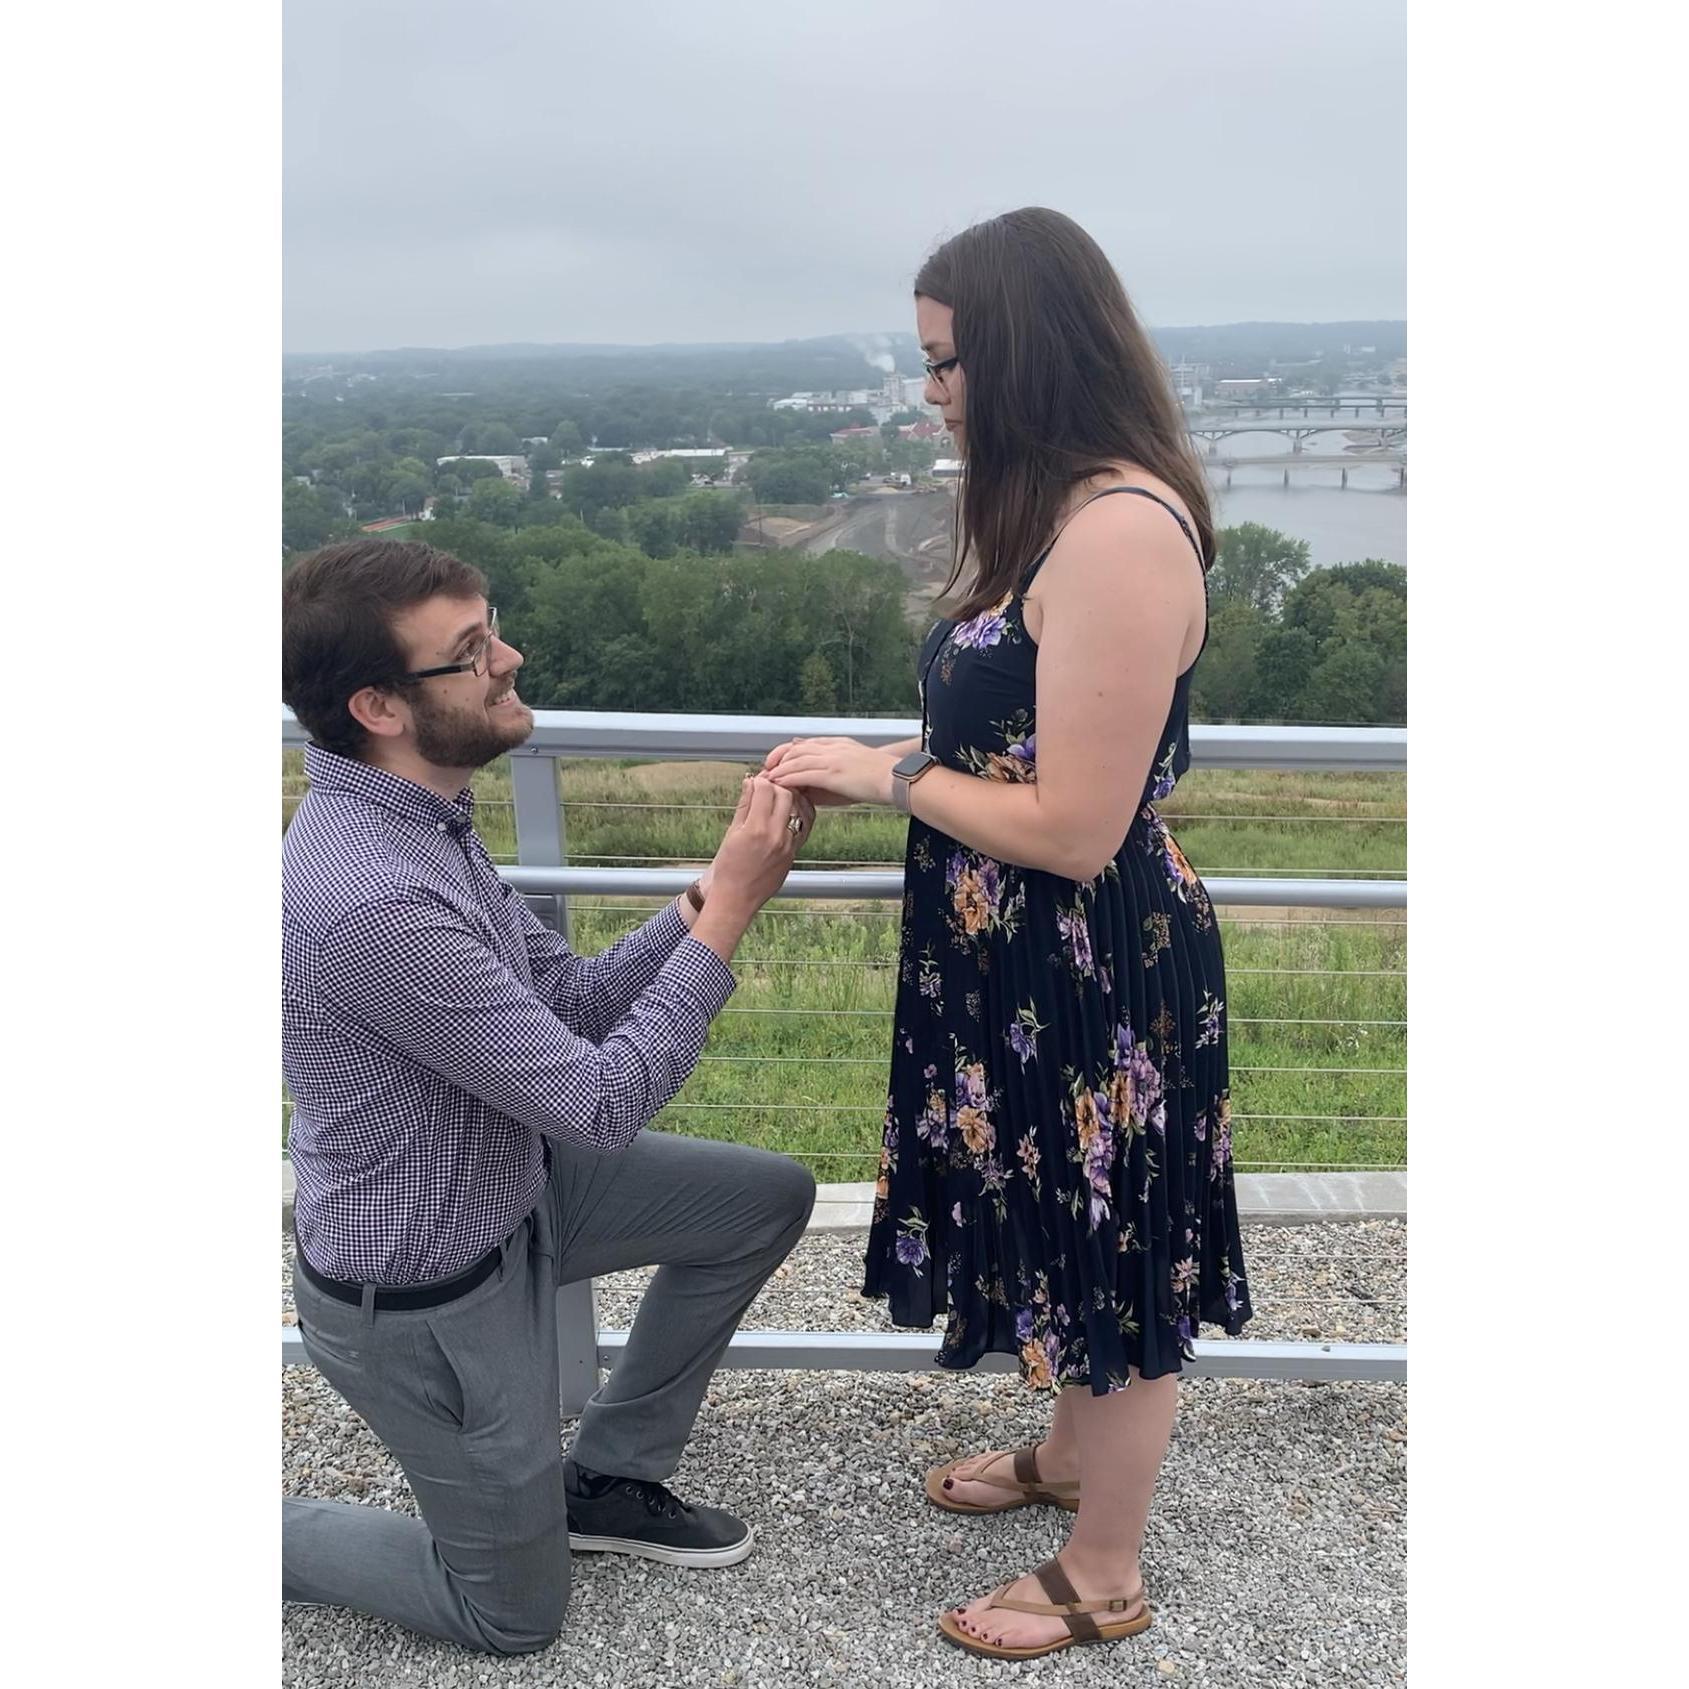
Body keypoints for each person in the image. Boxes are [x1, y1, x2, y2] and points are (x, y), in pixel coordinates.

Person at [764, 207, 1254, 1662]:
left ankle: (1103, 1563)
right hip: (1018, 959)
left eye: (942, 363)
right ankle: (1063, 1452)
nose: (929, 394)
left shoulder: (1116, 532)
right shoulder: (1055, 508)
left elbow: (1076, 829)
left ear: (1021, 352)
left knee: (1113, 1247)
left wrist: (888, 773)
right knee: (1062, 1223)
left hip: (1094, 966)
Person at [281, 538, 817, 1655]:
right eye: (471, 652)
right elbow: (597, 1104)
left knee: (761, 1199)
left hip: (516, 1196)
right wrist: (732, 918)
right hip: (432, 1302)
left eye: (493, 630)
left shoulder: (422, 823)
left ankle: (607, 1479)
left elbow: (568, 997)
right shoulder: (373, 899)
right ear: (378, 705)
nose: (510, 658)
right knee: (512, 1617)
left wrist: (715, 886)